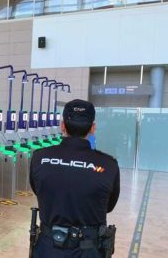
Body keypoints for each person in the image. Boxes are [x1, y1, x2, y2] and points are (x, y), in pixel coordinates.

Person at [29, 99, 120, 258]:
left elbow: (39, 190)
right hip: (89, 250)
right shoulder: (109, 165)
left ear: (62, 125)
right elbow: (108, 206)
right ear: (93, 128)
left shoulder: (39, 158)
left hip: (47, 248)